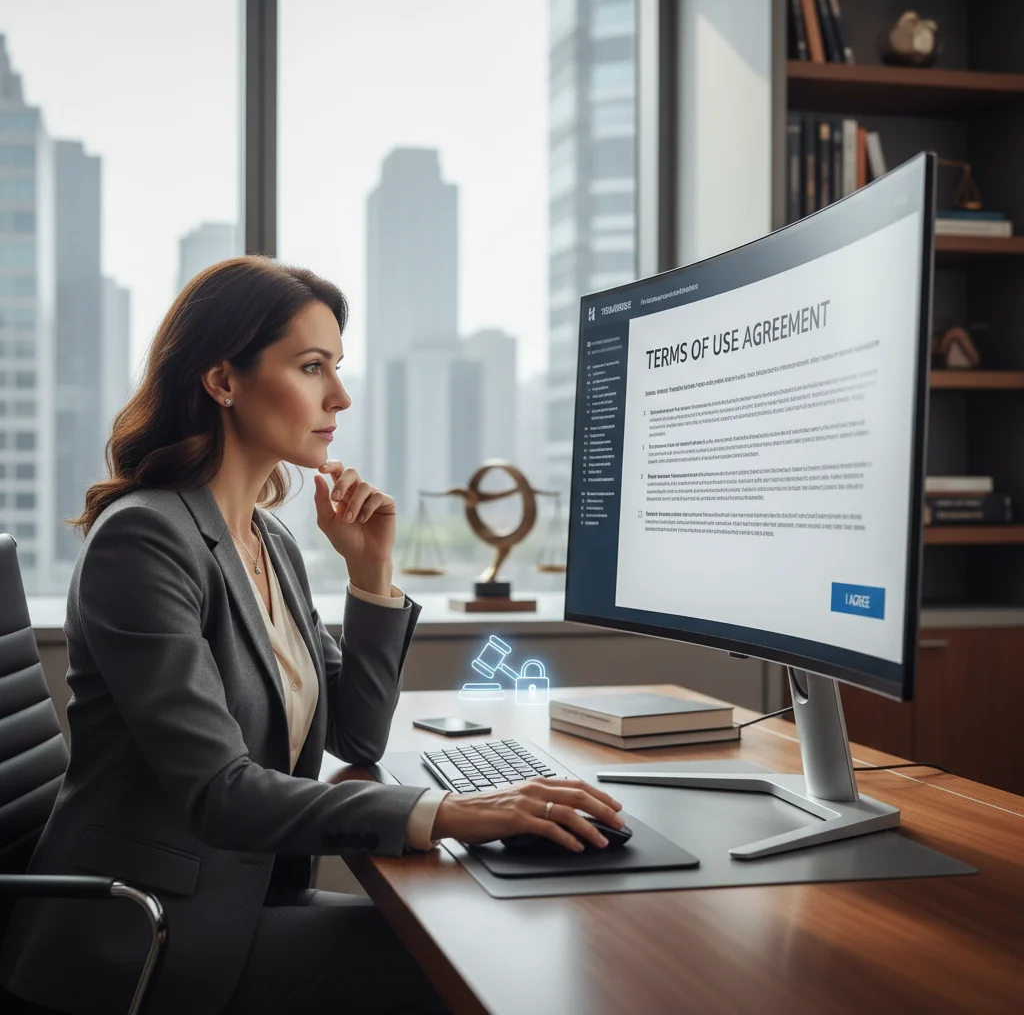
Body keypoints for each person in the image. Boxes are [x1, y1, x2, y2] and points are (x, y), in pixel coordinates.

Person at [0, 256, 625, 1015]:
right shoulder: (144, 539)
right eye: (311, 366)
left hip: (239, 897)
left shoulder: (267, 542)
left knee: (484, 936)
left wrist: (370, 572)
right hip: (141, 931)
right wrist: (453, 812)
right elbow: (220, 794)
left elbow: (356, 733)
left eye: (336, 367)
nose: (340, 395)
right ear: (223, 380)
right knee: (474, 969)